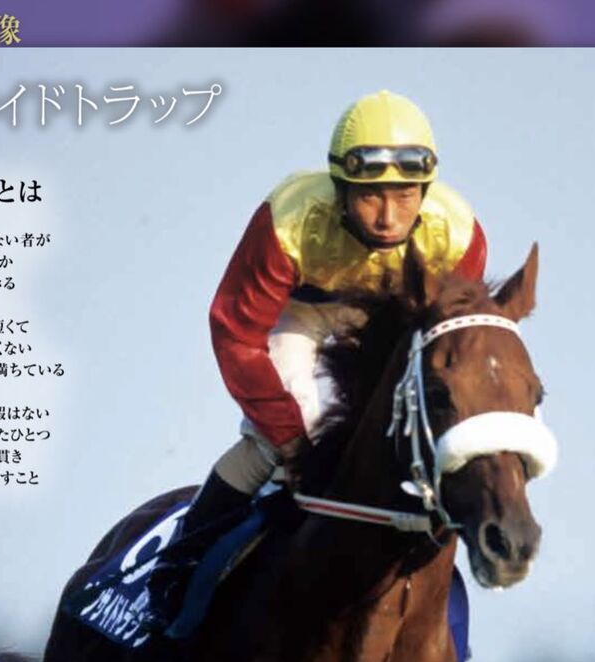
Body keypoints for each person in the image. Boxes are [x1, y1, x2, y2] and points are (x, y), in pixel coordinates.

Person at [144, 89, 487, 628]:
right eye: (369, 196)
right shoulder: (289, 218)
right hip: (298, 313)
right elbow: (236, 331)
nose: (388, 217)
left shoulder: (460, 234)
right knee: (283, 436)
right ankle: (180, 562)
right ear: (340, 188)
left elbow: (450, 346)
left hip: (386, 323)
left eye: (405, 196)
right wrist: (286, 436)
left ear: (425, 189)